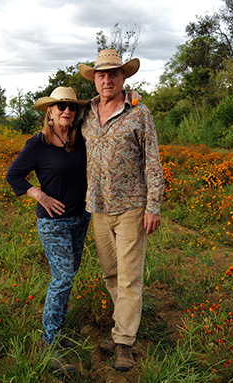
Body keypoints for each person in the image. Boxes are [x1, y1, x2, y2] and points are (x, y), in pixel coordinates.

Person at [78, 49, 164, 372]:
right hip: (98, 207)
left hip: (131, 206)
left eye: (113, 74)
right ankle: (121, 327)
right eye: (101, 75)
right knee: (111, 274)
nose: (107, 80)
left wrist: (153, 205)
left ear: (123, 77)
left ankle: (124, 341)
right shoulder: (87, 114)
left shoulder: (139, 113)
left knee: (129, 277)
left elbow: (152, 161)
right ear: (94, 80)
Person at [5, 86, 90, 375]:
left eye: (72, 106)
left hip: (80, 218)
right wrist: (39, 195)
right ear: (50, 111)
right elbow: (14, 175)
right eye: (60, 106)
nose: (66, 110)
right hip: (53, 221)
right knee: (63, 277)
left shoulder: (81, 138)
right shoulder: (37, 144)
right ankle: (49, 341)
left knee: (70, 273)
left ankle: (58, 328)